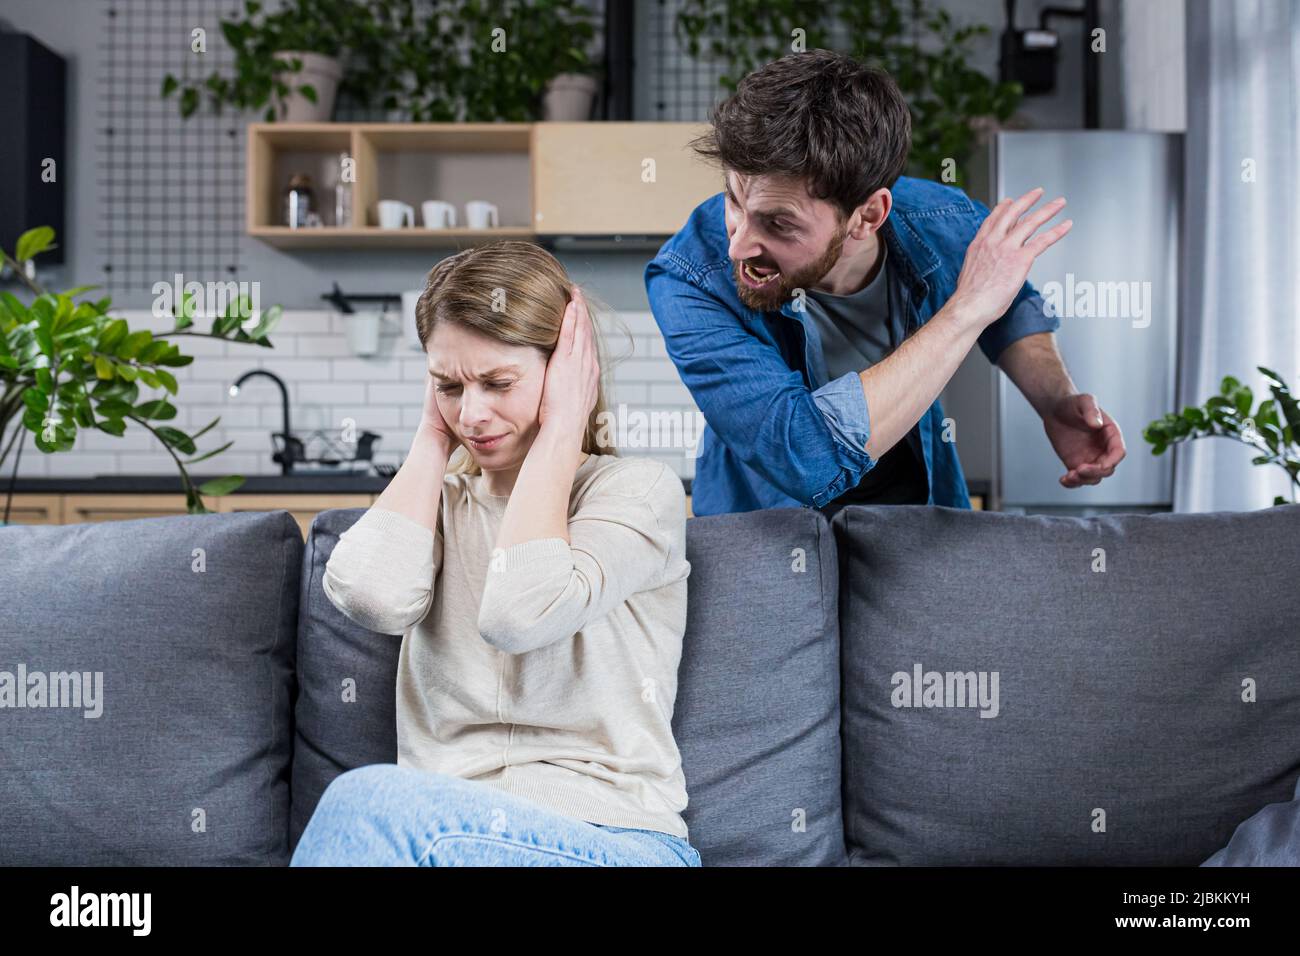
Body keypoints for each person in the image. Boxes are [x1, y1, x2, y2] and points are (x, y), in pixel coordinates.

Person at [292, 241, 701, 867]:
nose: (472, 414)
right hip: (449, 838)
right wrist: (432, 438)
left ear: (566, 369)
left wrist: (566, 426)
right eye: (449, 386)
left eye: (497, 382)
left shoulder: (635, 493)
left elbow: (519, 613)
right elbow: (371, 598)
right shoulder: (441, 504)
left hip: (613, 840)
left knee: (363, 800)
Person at [645, 49, 1127, 519]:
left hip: (915, 519)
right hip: (764, 539)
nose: (738, 246)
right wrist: (963, 312)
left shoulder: (944, 221)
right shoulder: (689, 279)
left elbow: (1012, 305)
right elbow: (802, 455)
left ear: (867, 216)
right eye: (733, 201)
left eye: (778, 224)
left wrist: (1054, 400)